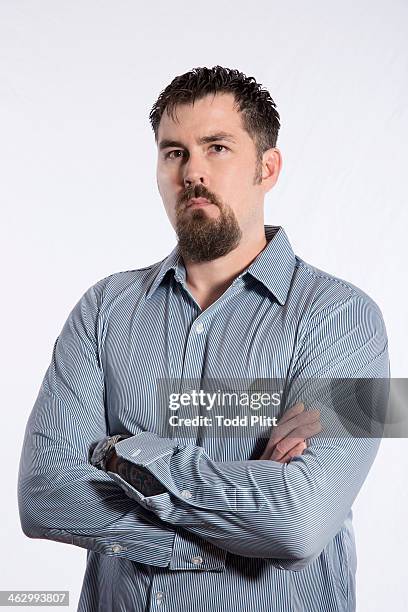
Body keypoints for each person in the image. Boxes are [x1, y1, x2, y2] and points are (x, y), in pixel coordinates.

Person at [18, 66, 389, 612]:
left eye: (217, 148)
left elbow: (299, 523)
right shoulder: (103, 308)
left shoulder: (351, 320)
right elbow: (42, 495)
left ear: (268, 167)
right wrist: (235, 527)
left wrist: (123, 453)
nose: (192, 171)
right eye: (174, 152)